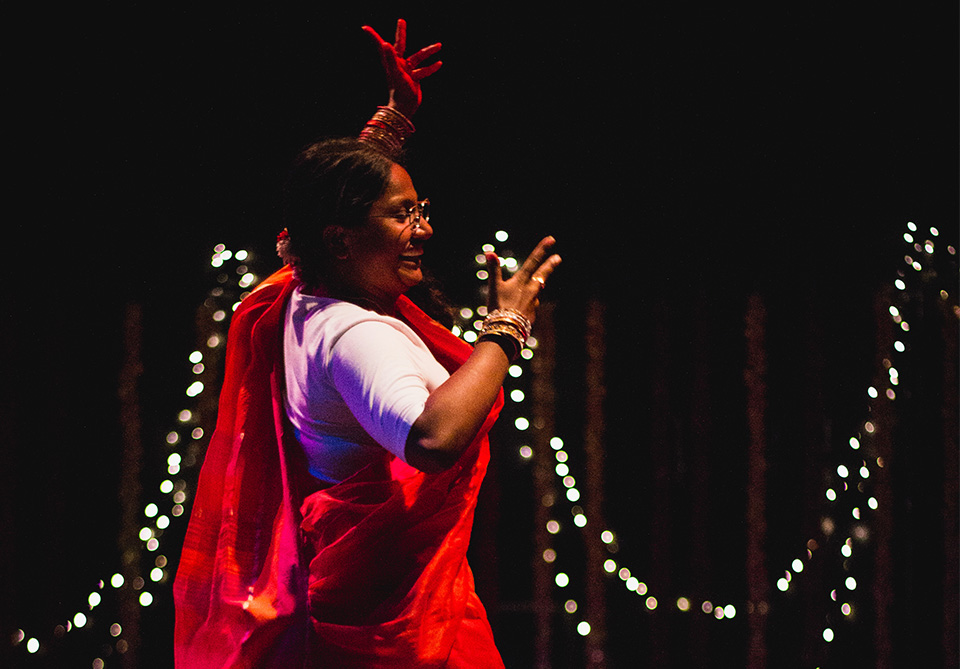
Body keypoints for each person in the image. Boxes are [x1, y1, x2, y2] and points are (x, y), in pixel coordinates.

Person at [173, 19, 560, 668]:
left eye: (420, 207)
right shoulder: (356, 336)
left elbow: (327, 196)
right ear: (342, 239)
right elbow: (433, 439)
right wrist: (507, 325)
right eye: (403, 214)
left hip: (371, 609)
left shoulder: (299, 289)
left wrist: (390, 124)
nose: (425, 229)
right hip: (400, 634)